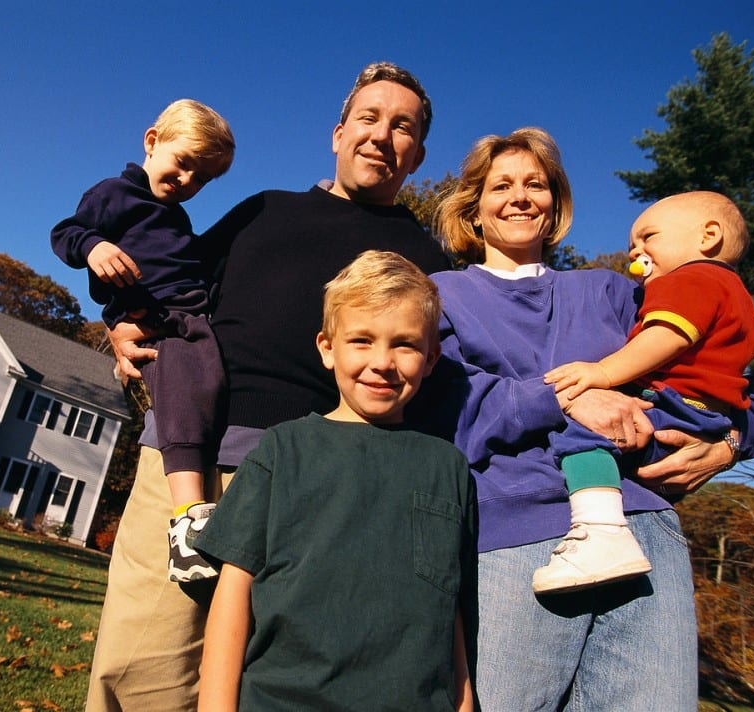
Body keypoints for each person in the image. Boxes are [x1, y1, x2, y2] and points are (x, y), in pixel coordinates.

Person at [85, 62, 450, 712]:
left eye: (402, 127)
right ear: (338, 133)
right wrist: (120, 323)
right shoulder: (263, 210)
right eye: (368, 118)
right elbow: (166, 281)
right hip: (192, 463)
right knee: (142, 663)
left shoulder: (427, 263)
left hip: (320, 486)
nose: (380, 135)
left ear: (418, 154)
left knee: (273, 678)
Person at [427, 127, 754, 710]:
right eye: (501, 186)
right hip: (516, 540)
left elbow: (718, 375)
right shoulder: (442, 296)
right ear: (474, 209)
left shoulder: (614, 293)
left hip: (644, 534)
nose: (520, 197)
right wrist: (566, 396)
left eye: (536, 184)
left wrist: (733, 442)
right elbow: (446, 409)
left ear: (555, 204)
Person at [195, 250, 475, 711]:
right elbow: (232, 596)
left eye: (405, 344)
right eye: (361, 340)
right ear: (327, 348)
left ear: (430, 358)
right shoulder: (282, 450)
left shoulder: (448, 467)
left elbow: (454, 613)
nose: (382, 362)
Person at [531, 191, 754, 594]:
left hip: (675, 405)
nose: (635, 253)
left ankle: (601, 533)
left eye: (648, 237)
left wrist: (602, 372)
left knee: (586, 433)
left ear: (708, 236)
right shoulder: (735, 293)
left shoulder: (692, 279)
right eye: (632, 245)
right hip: (706, 416)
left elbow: (666, 337)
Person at [50, 99, 235, 582]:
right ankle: (188, 521)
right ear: (152, 141)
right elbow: (66, 231)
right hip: (152, 317)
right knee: (184, 394)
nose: (187, 180)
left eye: (202, 178)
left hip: (189, 315)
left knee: (212, 385)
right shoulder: (115, 194)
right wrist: (94, 246)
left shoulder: (176, 218)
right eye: (184, 163)